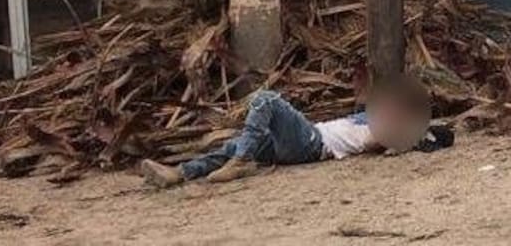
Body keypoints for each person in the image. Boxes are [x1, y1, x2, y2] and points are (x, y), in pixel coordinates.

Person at [140, 76, 439, 188]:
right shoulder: (369, 116)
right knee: (235, 144)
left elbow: (388, 143)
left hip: (312, 144)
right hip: (300, 142)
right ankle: (179, 173)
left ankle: (242, 161)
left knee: (266, 99)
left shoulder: (384, 132)